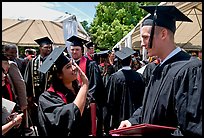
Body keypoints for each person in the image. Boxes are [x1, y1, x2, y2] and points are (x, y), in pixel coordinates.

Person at [118, 5, 202, 136]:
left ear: (163, 34)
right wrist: (132, 122)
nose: (142, 44)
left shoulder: (190, 69)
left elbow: (192, 129)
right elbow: (151, 107)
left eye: (145, 37)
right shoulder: (158, 69)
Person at [37, 47, 90, 136]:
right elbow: (71, 116)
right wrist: (85, 85)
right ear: (59, 75)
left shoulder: (76, 89)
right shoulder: (47, 98)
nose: (74, 68)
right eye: (68, 67)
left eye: (72, 64)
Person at [67, 35, 106, 136]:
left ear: (82, 50)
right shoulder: (68, 65)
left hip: (87, 105)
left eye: (77, 49)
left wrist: (86, 99)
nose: (74, 52)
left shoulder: (90, 64)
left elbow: (95, 85)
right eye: (72, 49)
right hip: (72, 103)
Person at [104, 47, 145, 135]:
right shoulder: (139, 76)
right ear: (131, 61)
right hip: (135, 118)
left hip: (119, 118)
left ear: (118, 61)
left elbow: (110, 100)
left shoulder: (114, 78)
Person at [23, 36, 53, 129]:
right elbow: (27, 79)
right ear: (40, 48)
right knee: (38, 122)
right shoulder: (32, 62)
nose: (48, 49)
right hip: (36, 98)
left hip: (51, 98)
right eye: (46, 47)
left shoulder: (53, 61)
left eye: (50, 47)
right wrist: (29, 96)